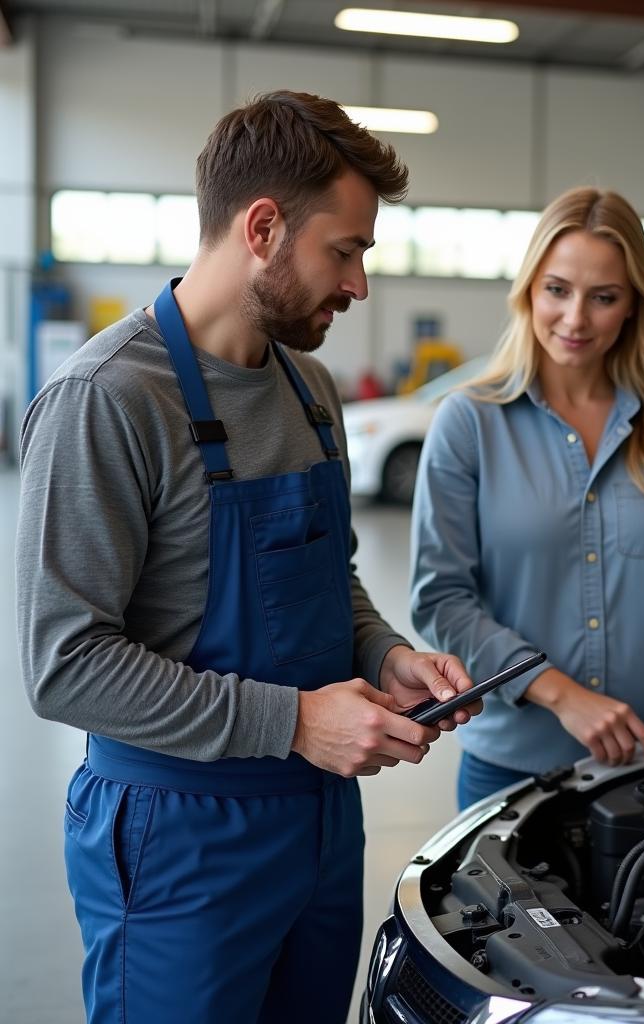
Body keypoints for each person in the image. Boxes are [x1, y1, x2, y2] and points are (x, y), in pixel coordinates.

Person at [15, 91, 479, 1024]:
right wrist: (296, 723)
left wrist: (382, 652)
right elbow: (63, 665)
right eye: (343, 252)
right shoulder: (106, 400)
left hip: (316, 827)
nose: (357, 286)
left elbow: (327, 574)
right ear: (263, 228)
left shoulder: (311, 390)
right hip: (178, 836)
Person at [410, 187, 644, 810]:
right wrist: (562, 693)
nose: (575, 320)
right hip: (510, 768)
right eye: (558, 290)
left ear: (633, 306)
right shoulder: (469, 424)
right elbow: (443, 599)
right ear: (529, 290)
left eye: (604, 297)